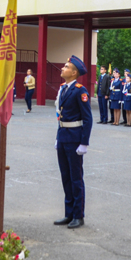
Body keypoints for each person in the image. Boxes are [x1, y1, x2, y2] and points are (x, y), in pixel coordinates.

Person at [53, 55, 93, 229]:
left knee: (76, 178)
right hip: (63, 136)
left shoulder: (80, 90)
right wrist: (57, 137)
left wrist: (84, 142)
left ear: (74, 72)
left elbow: (88, 118)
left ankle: (78, 215)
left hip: (75, 138)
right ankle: (68, 213)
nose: (63, 68)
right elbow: (60, 114)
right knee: (65, 177)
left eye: (66, 66)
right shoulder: (63, 88)